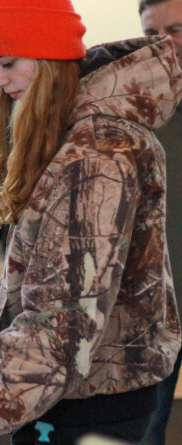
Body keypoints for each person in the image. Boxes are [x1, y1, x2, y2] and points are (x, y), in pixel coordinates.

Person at [0, 1, 182, 444]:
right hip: (73, 388)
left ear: (48, 54)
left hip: (93, 402)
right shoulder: (73, 131)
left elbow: (65, 315)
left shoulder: (99, 151)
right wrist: (8, 312)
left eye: (7, 63)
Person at [140, 2, 182, 442]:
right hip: (151, 310)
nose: (165, 43)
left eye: (177, 29)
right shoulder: (130, 109)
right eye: (153, 33)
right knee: (145, 430)